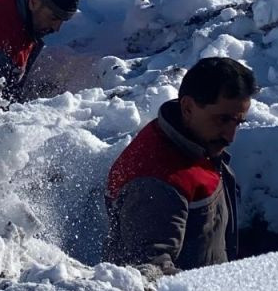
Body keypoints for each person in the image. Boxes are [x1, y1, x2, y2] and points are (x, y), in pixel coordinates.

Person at [104, 57, 257, 279]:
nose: (230, 136)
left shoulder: (194, 144)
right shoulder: (156, 181)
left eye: (238, 122)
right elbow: (149, 275)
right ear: (187, 107)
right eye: (222, 120)